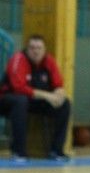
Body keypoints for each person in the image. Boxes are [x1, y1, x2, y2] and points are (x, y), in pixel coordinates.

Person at [0, 34, 71, 162]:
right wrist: (48, 95)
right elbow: (18, 88)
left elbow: (58, 84)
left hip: (32, 101)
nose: (36, 51)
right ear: (27, 49)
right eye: (32, 48)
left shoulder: (49, 61)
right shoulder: (18, 59)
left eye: (39, 48)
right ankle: (18, 152)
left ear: (44, 50)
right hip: (7, 100)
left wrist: (59, 94)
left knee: (65, 104)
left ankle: (57, 151)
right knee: (20, 101)